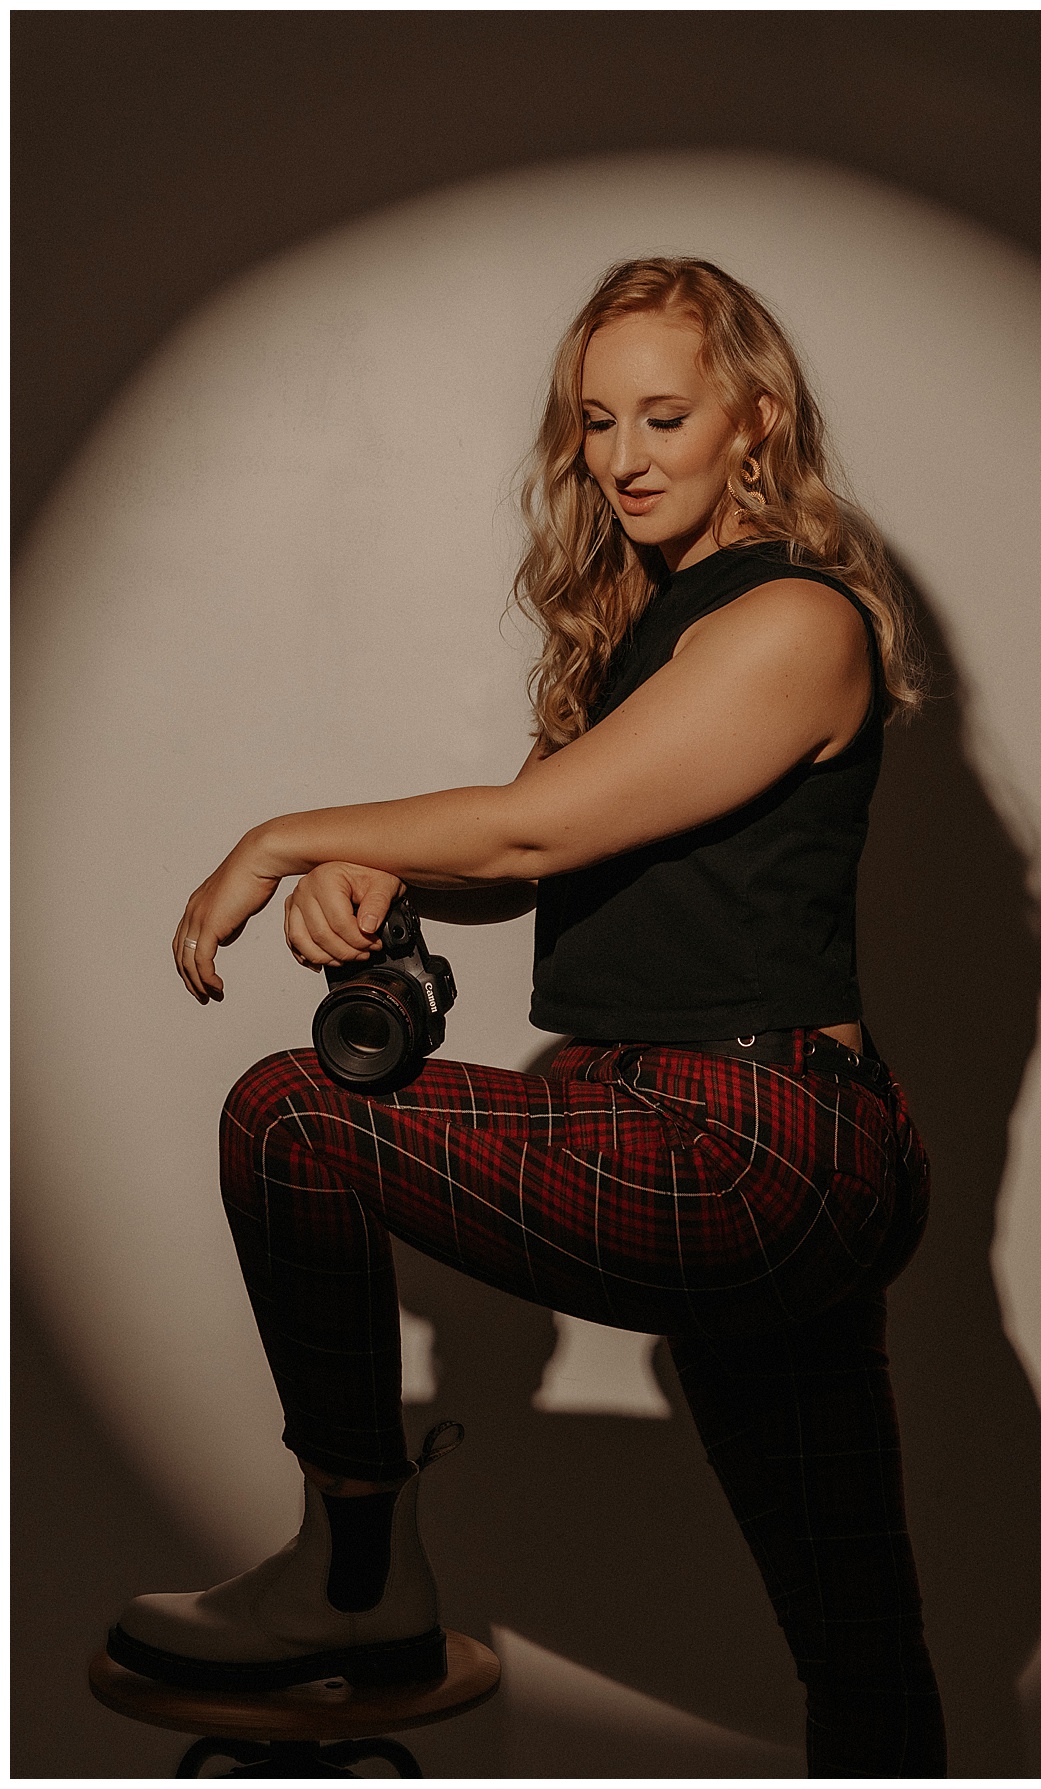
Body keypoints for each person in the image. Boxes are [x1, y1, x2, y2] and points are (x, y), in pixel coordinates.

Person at [107, 258, 947, 1776]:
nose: (624, 455)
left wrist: (284, 835)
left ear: (754, 420)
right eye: (597, 421)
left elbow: (531, 832)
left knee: (291, 1113)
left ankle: (355, 1584)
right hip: (737, 1134)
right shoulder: (662, 623)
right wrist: (382, 876)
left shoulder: (793, 623)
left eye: (665, 415)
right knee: (863, 1661)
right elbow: (546, 848)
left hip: (748, 1143)